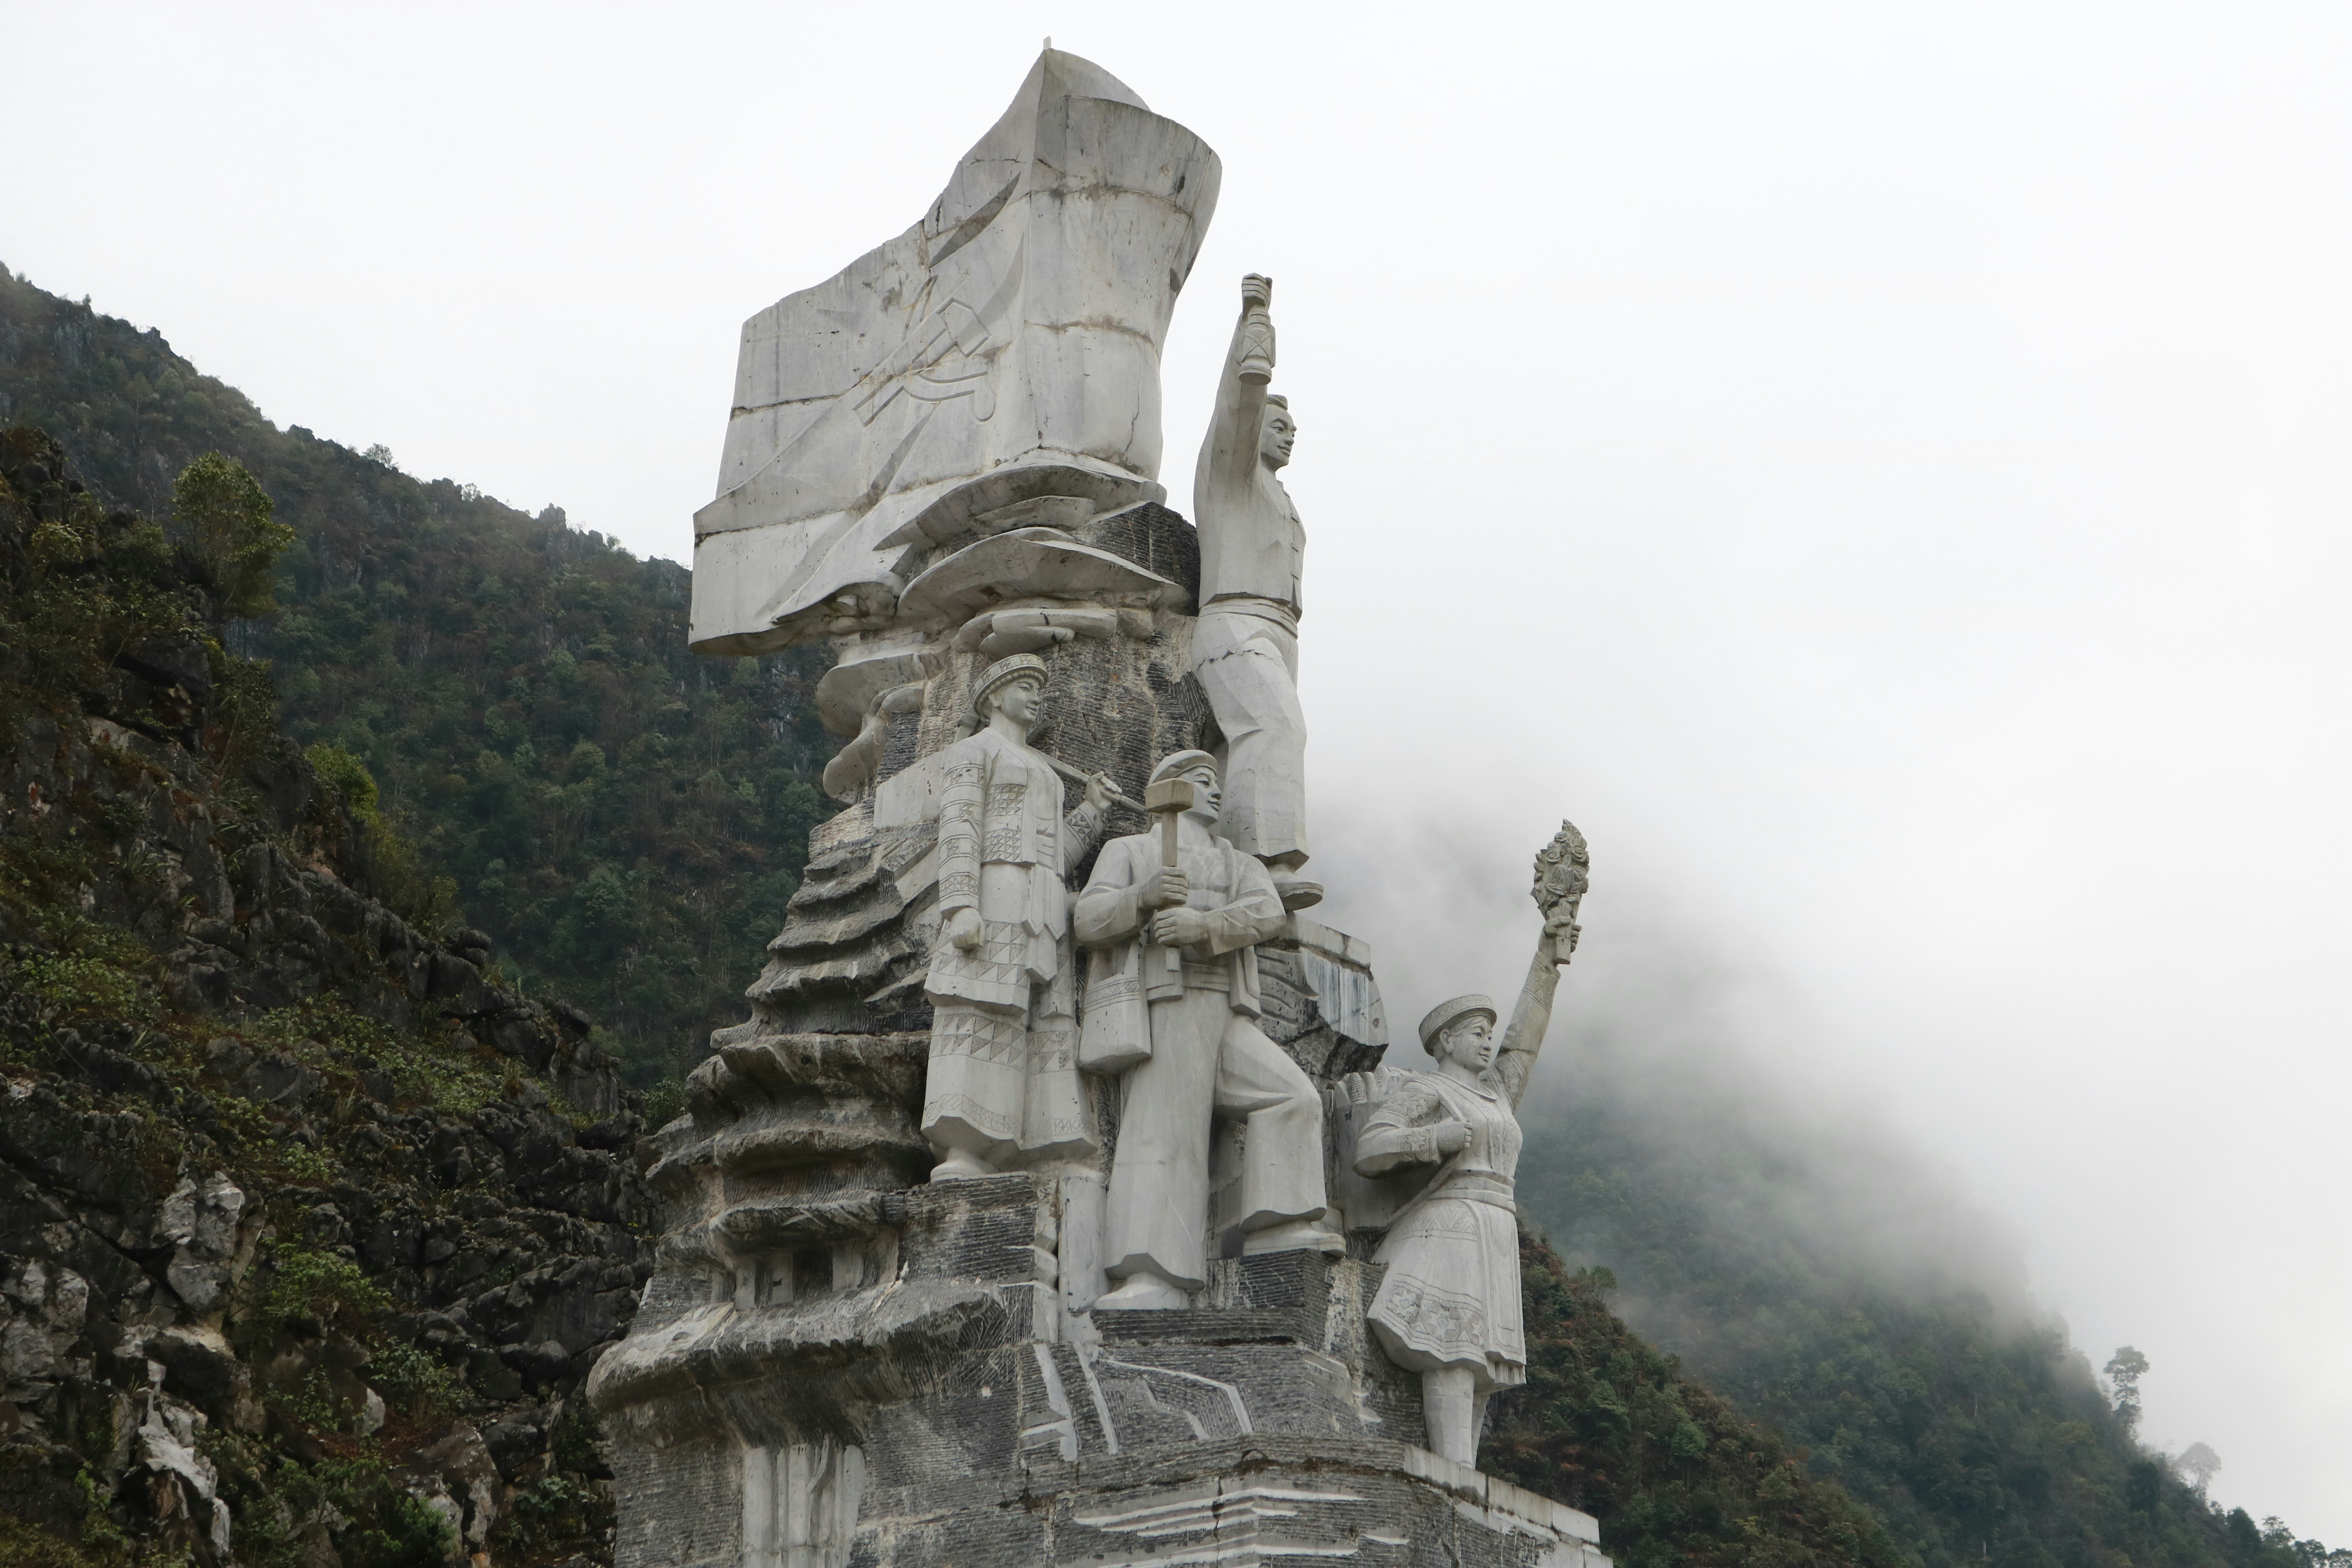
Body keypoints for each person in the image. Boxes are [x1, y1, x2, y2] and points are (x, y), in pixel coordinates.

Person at [1074, 750, 1339, 1308]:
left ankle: (1277, 1224)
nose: (1215, 791)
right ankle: (1151, 1275)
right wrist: (1142, 898)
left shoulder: (1235, 861)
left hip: (1224, 1005)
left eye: (1216, 782)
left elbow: (1266, 913)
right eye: (1201, 781)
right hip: (1167, 1001)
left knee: (1291, 1097)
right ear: (1169, 789)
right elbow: (1088, 920)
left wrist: (1204, 924)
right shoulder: (1133, 851)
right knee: (1164, 1132)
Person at [1352, 863, 1581, 1466]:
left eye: (1487, 1032)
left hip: (1495, 1228)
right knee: (1452, 1349)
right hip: (1447, 1225)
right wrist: (1435, 1139)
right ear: (1446, 1042)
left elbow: (1525, 1038)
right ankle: (1451, 1466)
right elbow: (1371, 1149)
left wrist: (1548, 957)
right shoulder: (1427, 1090)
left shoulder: (1498, 1093)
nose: (1487, 1041)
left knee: (1482, 1360)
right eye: (1475, 1032)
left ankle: (1465, 1471)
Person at [920, 653, 1108, 1179]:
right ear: (994, 697)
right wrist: (960, 905)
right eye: (1025, 686)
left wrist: (1091, 811)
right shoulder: (972, 752)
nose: (1036, 696)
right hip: (995, 889)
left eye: (1038, 688)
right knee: (979, 1009)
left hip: (1043, 904)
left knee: (1042, 1023)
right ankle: (966, 1149)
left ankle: (1039, 1145)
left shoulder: (1047, 773)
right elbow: (959, 829)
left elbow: (1056, 857)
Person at [1191, 273, 1317, 910]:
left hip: (1281, 631)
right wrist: (1256, 322)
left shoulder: (1281, 498)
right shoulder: (1231, 474)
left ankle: (1217, 865)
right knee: (1274, 727)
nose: (1290, 432)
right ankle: (1267, 864)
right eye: (1279, 422)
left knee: (1230, 749)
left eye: (1295, 425)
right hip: (1234, 619)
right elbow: (1237, 400)